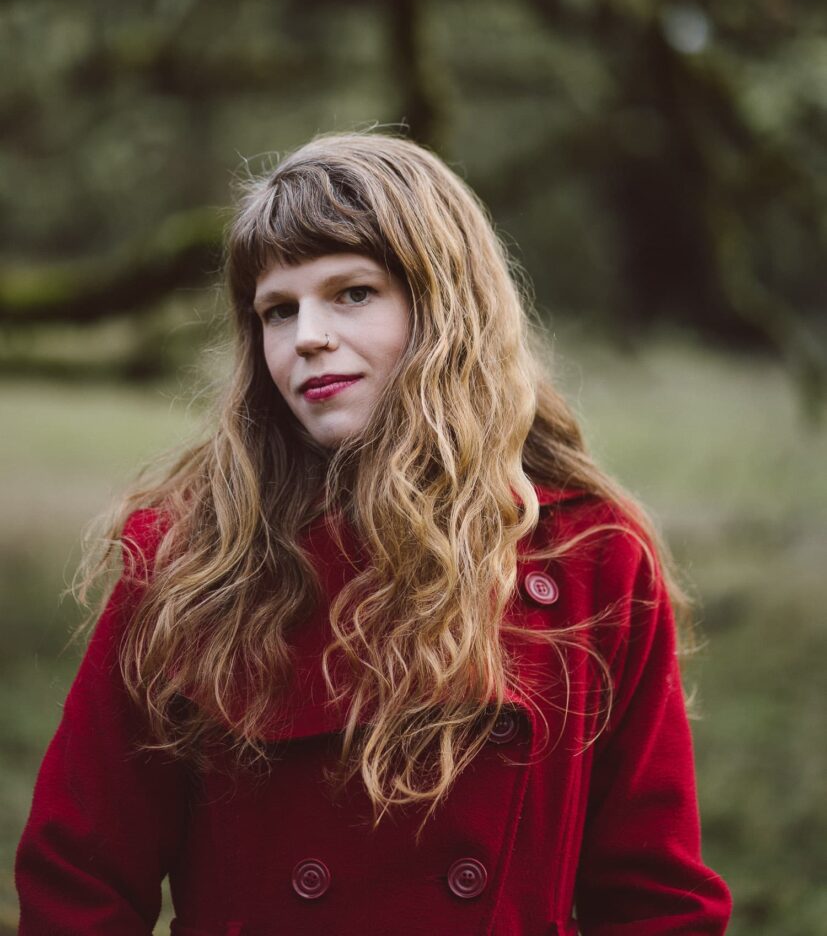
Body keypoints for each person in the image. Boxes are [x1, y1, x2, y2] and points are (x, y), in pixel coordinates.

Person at [16, 131, 732, 935]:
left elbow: (654, 902)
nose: (306, 336)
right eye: (276, 311)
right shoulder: (190, 561)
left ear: (443, 307)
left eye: (351, 292)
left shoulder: (593, 559)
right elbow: (78, 880)